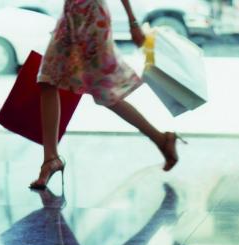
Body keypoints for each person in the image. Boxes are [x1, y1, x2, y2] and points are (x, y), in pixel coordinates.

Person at [30, 0, 186, 190]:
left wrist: (133, 22)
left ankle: (161, 139)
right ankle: (50, 159)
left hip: (93, 18)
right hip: (70, 15)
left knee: (104, 92)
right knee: (47, 79)